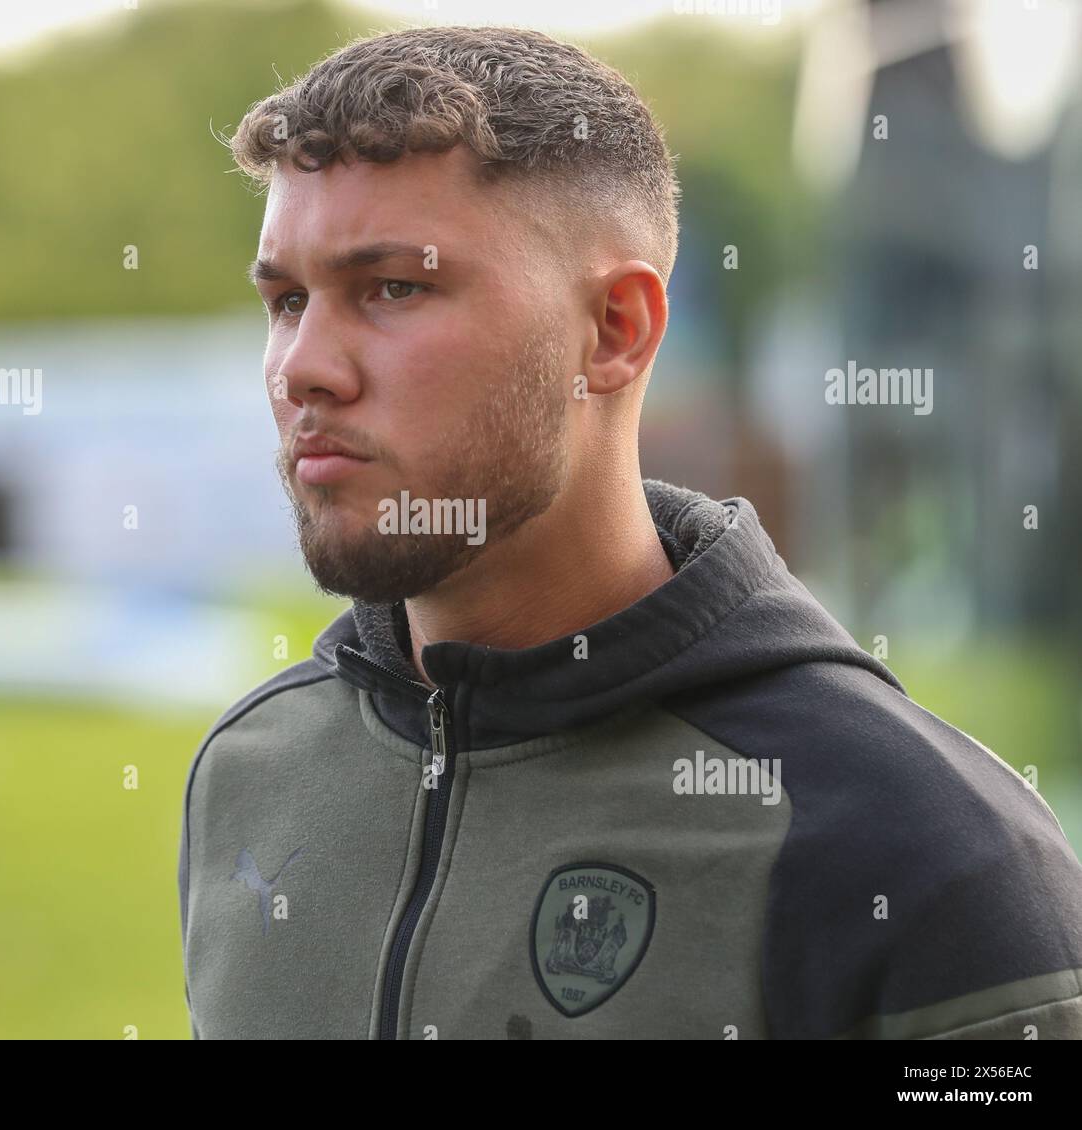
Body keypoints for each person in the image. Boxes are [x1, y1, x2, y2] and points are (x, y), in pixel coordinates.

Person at [179, 24, 1082, 1039]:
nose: (304, 365)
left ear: (615, 330)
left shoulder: (916, 844)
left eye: (394, 287)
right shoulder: (253, 770)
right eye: (286, 299)